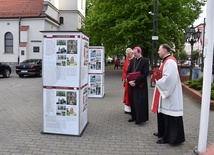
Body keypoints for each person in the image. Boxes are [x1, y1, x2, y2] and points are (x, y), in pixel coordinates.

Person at [151, 44, 185, 144]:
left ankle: (170, 137)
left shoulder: (170, 61)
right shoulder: (166, 61)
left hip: (171, 95)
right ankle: (163, 133)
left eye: (159, 50)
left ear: (165, 51)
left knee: (170, 116)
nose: (158, 52)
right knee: (163, 114)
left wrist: (158, 81)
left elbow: (169, 78)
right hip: (165, 93)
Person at [127, 46, 149, 124]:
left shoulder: (145, 61)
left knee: (139, 102)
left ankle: (140, 119)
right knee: (133, 101)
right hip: (131, 85)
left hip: (140, 85)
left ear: (139, 52)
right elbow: (128, 71)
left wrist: (135, 82)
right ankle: (134, 116)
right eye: (133, 53)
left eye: (135, 53)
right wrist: (129, 81)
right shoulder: (132, 60)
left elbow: (145, 74)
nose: (134, 55)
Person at [122, 48, 134, 114]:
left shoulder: (134, 60)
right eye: (126, 54)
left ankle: (132, 109)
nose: (127, 55)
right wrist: (124, 77)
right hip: (127, 81)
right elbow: (124, 70)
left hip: (132, 81)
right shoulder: (127, 60)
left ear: (131, 53)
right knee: (126, 94)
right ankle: (127, 109)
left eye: (128, 54)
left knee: (131, 95)